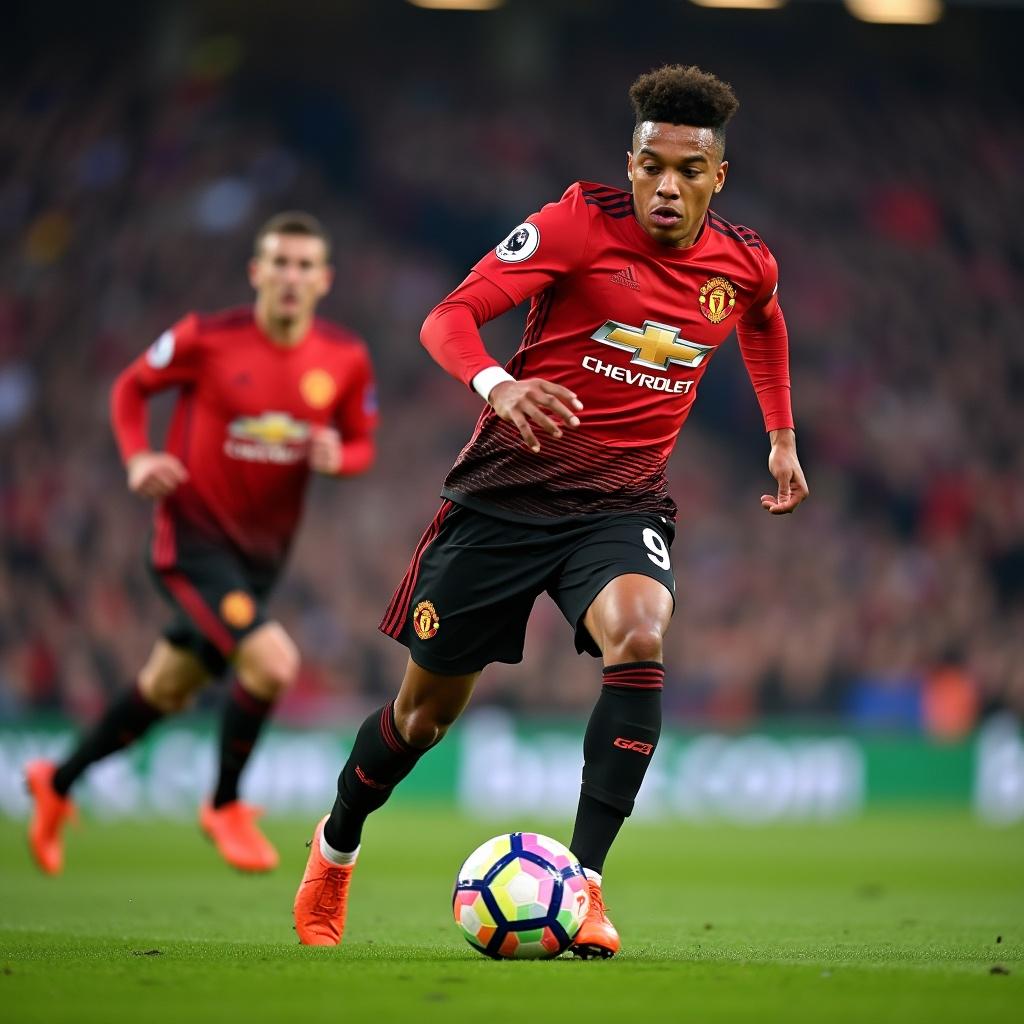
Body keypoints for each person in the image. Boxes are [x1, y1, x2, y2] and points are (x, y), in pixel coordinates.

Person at [293, 65, 808, 956]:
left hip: (618, 506)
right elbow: (449, 316)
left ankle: (590, 885)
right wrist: (497, 385)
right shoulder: (576, 223)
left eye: (689, 170)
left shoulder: (745, 262)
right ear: (632, 162)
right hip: (501, 503)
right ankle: (334, 851)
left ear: (717, 177)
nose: (667, 186)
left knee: (641, 632)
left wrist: (782, 434)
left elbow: (764, 318)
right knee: (421, 720)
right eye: (653, 166)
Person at [25, 211, 377, 874]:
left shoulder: (344, 359)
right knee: (272, 663)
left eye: (305, 266)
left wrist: (340, 456)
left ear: (324, 280)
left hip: (261, 560)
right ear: (257, 272)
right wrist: (136, 458)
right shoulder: (206, 339)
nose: (291, 277)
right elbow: (131, 387)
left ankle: (58, 781)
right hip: (192, 543)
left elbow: (360, 444)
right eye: (279, 262)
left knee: (164, 687)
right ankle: (224, 804)